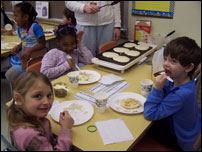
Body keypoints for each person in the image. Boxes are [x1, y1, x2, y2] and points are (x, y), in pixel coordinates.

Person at [144, 37, 201, 151]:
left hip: (183, 142)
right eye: (165, 59)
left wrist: (157, 89)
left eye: (173, 61)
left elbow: (150, 113)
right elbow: (168, 89)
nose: (165, 64)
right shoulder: (183, 79)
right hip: (187, 129)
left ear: (189, 67)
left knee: (143, 132)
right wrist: (162, 87)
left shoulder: (182, 94)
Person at [7, 71, 74, 150]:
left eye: (49, 95)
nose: (47, 102)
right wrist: (65, 130)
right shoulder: (30, 135)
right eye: (38, 96)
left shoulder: (20, 114)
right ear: (19, 99)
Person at [1, 2, 46, 82]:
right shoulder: (20, 28)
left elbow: (42, 44)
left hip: (30, 58)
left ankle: (21, 88)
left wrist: (30, 50)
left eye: (16, 16)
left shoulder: (36, 27)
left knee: (9, 75)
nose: (14, 18)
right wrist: (18, 46)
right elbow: (25, 41)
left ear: (25, 17)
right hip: (21, 56)